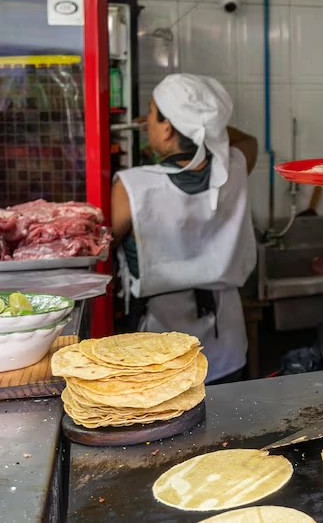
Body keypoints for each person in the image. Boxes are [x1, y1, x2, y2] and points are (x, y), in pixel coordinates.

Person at [110, 73, 259, 383]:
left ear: (167, 127)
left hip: (159, 355)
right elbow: (248, 140)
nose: (146, 122)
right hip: (226, 347)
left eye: (151, 113)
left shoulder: (134, 187)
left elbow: (105, 244)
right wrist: (203, 125)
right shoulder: (234, 166)